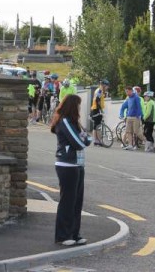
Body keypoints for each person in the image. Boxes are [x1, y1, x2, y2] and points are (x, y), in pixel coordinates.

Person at [50, 94, 92, 246]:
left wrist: (84, 139)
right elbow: (79, 142)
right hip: (67, 165)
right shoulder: (65, 121)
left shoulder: (75, 122)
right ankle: (63, 235)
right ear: (73, 106)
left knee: (77, 202)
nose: (80, 108)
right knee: (67, 201)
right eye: (78, 105)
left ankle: (74, 234)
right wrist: (84, 139)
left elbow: (87, 139)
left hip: (78, 165)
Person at [119, 86, 144, 150]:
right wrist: (121, 114)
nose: (126, 93)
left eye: (127, 91)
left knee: (137, 132)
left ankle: (147, 142)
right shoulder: (128, 98)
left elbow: (139, 107)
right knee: (129, 132)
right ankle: (130, 145)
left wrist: (139, 115)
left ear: (130, 91)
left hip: (135, 117)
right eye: (125, 92)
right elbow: (123, 107)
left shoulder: (136, 97)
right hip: (129, 117)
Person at [90, 79, 109, 146]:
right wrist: (100, 109)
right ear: (103, 85)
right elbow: (97, 100)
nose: (107, 87)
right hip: (96, 109)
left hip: (95, 109)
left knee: (95, 126)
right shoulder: (100, 90)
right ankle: (99, 140)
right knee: (98, 126)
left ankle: (96, 140)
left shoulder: (99, 90)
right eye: (107, 86)